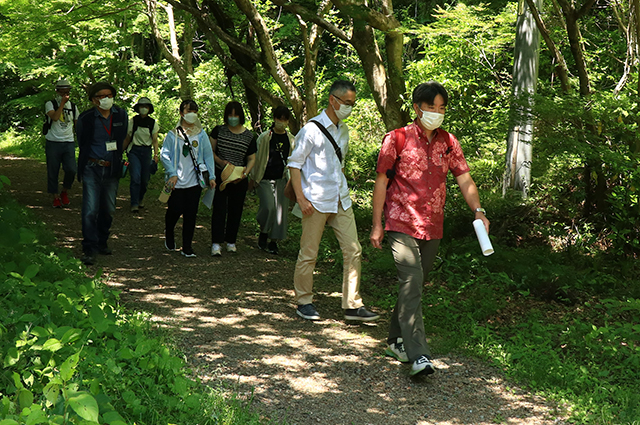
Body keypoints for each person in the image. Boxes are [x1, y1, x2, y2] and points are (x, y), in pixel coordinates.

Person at [370, 81, 490, 376]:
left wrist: (478, 210)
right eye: (431, 107)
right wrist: (377, 224)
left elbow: (465, 180)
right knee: (411, 283)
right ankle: (419, 355)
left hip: (433, 226)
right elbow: (382, 182)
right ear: (416, 108)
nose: (437, 113)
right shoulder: (396, 139)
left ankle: (395, 340)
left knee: (415, 285)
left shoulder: (449, 142)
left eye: (442, 108)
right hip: (400, 221)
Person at [287, 80, 379, 322]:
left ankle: (352, 305)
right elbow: (294, 165)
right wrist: (301, 198)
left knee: (353, 249)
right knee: (309, 253)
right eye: (346, 103)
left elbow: (339, 165)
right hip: (315, 200)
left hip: (340, 199)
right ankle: (304, 301)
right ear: (333, 100)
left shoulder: (344, 131)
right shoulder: (311, 130)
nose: (349, 107)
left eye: (352, 104)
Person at [76, 81, 128, 266]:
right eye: (101, 96)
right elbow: (81, 141)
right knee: (90, 209)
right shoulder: (86, 118)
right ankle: (89, 247)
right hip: (92, 167)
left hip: (112, 168)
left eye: (109, 95)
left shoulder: (121, 114)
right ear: (93, 100)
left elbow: (123, 138)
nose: (106, 99)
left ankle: (102, 241)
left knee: (109, 208)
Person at [160, 99, 216, 258]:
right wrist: (172, 172)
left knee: (191, 214)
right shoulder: (172, 135)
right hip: (176, 182)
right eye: (188, 111)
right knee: (174, 211)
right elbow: (164, 155)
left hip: (194, 181)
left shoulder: (201, 134)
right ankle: (169, 232)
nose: (191, 114)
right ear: (181, 113)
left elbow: (207, 156)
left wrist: (211, 176)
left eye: (194, 111)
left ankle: (187, 247)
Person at [209, 101, 257, 256]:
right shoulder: (218, 131)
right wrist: (221, 163)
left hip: (239, 178)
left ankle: (231, 241)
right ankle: (216, 243)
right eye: (230, 114)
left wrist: (245, 173)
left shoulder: (249, 136)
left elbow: (251, 158)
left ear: (241, 116)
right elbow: (210, 151)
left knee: (235, 210)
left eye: (236, 115)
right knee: (219, 209)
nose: (233, 118)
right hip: (220, 176)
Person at [249, 106, 294, 255]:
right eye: (279, 119)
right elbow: (257, 159)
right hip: (264, 178)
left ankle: (274, 241)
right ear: (274, 119)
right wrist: (253, 178)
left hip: (282, 179)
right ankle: (263, 231)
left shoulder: (292, 140)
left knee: (281, 212)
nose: (282, 122)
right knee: (269, 207)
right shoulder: (264, 137)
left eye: (284, 119)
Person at [44, 79, 80, 208]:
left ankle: (64, 191)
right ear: (57, 92)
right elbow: (54, 117)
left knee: (71, 169)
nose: (65, 95)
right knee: (53, 170)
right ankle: (55, 196)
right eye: (62, 93)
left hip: (68, 142)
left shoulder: (74, 107)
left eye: (67, 93)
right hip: (53, 142)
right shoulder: (50, 104)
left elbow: (77, 125)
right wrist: (62, 104)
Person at [123, 97, 160, 212]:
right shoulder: (133, 121)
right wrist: (120, 151)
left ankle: (140, 198)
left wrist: (156, 154)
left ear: (149, 109)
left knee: (144, 179)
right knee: (135, 177)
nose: (144, 109)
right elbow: (128, 138)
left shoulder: (152, 123)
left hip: (147, 152)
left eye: (146, 106)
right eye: (141, 106)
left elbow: (154, 140)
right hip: (134, 151)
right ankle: (134, 203)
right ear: (138, 108)